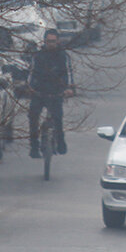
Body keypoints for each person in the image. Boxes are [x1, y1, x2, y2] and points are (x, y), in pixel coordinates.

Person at [26, 29, 75, 158]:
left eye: (53, 41)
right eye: (48, 41)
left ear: (58, 41)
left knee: (58, 118)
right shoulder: (38, 55)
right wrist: (29, 87)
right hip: (40, 91)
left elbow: (68, 72)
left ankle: (60, 143)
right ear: (44, 42)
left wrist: (69, 88)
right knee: (33, 117)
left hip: (56, 92)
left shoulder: (63, 56)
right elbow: (31, 72)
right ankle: (34, 147)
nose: (51, 44)